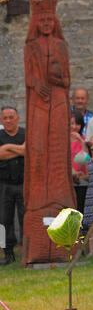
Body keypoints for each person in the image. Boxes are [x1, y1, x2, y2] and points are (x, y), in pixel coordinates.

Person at [0, 106, 25, 265]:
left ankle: (26, 251)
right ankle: (8, 254)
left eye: (11, 117)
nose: (8, 121)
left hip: (24, 184)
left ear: (17, 118)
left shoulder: (25, 134)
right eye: (5, 118)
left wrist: (7, 149)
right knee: (3, 220)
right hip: (4, 185)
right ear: (2, 121)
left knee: (25, 218)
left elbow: (28, 151)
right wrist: (19, 150)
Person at [70, 110, 89, 214]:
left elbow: (85, 158)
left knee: (80, 210)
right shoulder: (63, 140)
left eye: (77, 124)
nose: (74, 127)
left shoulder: (84, 139)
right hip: (68, 180)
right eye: (72, 123)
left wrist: (81, 141)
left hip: (81, 180)